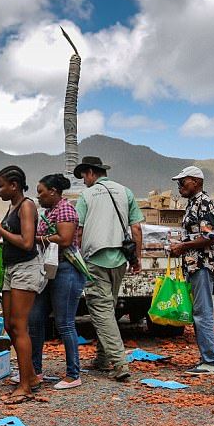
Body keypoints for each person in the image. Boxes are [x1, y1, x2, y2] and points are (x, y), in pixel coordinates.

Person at [73, 156, 143, 382]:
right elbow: (136, 229)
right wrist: (137, 258)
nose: (84, 180)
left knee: (101, 310)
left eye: (84, 175)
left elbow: (79, 231)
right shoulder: (126, 192)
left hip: (95, 258)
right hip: (120, 258)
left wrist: (77, 258)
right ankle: (103, 358)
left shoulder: (86, 196)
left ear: (91, 173)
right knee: (108, 308)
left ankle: (119, 363)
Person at [0, 166, 47, 403]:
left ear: (14, 185)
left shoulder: (27, 206)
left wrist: (0, 229)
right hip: (11, 269)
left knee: (19, 326)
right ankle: (30, 376)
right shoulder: (12, 207)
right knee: (9, 325)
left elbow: (27, 242)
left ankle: (25, 387)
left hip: (25, 268)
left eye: (1, 185)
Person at [28, 174, 86, 390]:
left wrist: (33, 239)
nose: (39, 196)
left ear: (53, 191)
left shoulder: (65, 209)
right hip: (49, 271)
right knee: (35, 320)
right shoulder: (49, 212)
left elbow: (65, 239)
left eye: (41, 191)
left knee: (65, 323)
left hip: (66, 269)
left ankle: (73, 373)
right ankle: (35, 371)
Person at [169, 166, 214, 375]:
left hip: (202, 264)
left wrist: (183, 246)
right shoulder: (193, 204)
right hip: (194, 264)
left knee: (203, 312)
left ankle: (211, 361)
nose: (180, 186)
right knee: (200, 312)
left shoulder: (204, 203)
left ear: (196, 182)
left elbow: (211, 236)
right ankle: (207, 358)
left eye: (183, 182)